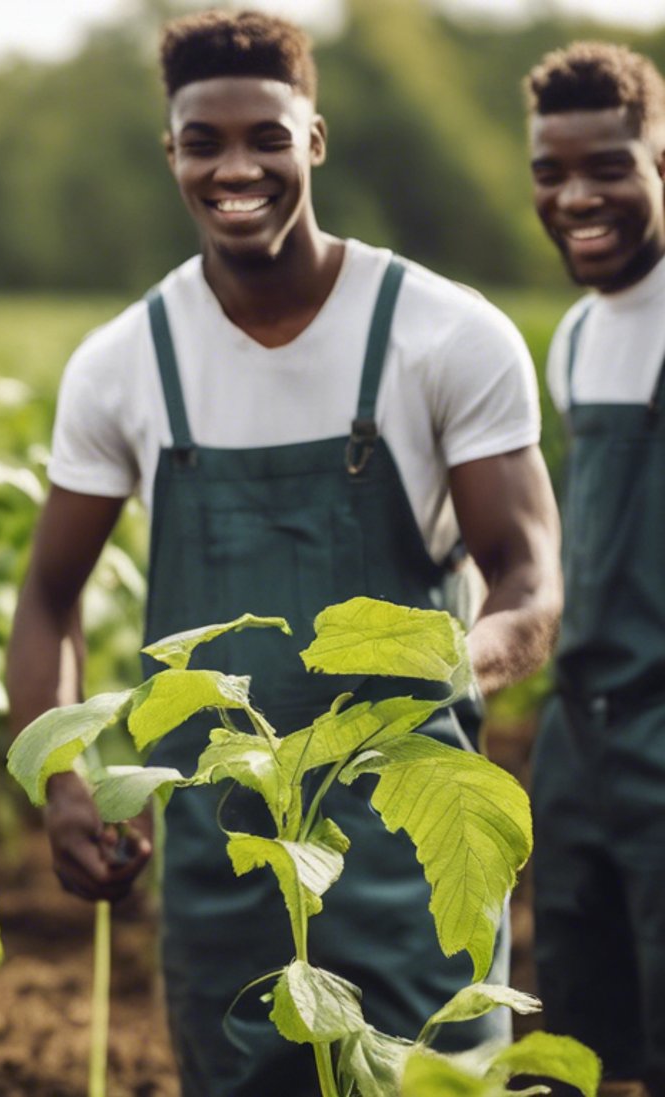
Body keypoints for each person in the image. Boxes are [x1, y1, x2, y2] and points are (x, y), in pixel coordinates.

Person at [4, 12, 562, 1095]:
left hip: (413, 842)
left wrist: (449, 666)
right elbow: (47, 593)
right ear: (170, 154)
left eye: (265, 135)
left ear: (314, 138)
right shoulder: (127, 361)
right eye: (202, 142)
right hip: (226, 852)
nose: (235, 166)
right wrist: (67, 786)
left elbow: (530, 582)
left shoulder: (443, 334)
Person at [526, 41, 665, 1097]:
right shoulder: (573, 337)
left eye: (610, 165)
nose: (578, 195)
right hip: (578, 736)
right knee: (578, 1029)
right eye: (551, 171)